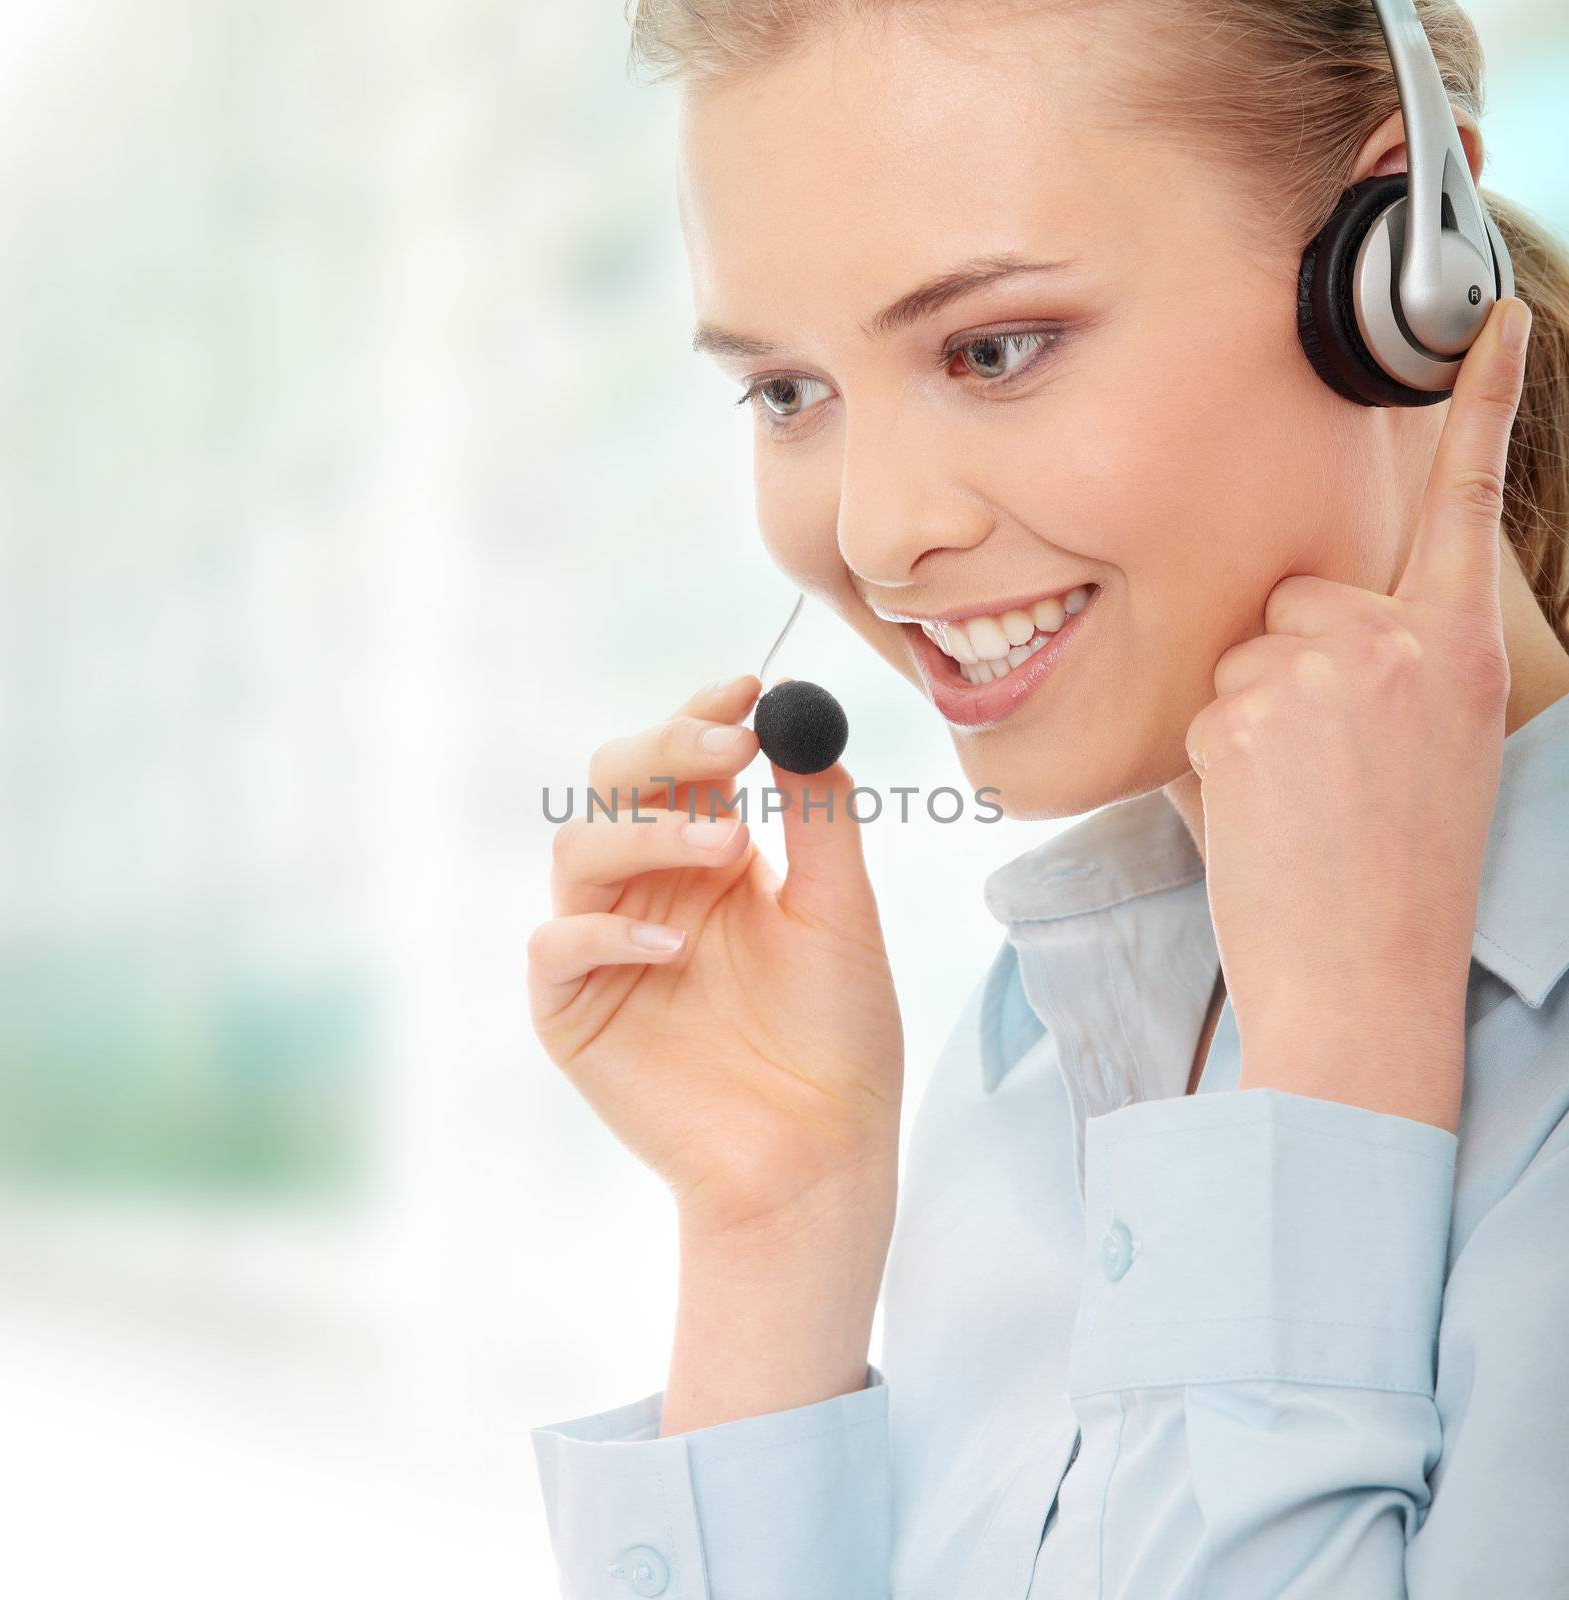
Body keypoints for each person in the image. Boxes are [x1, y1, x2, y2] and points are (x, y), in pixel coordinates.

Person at [525, 1, 1569, 1594]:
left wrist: (1339, 1079)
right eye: (789, 394)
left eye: (991, 349)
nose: (875, 536)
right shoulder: (1034, 1053)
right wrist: (777, 1230)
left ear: (1404, 274)